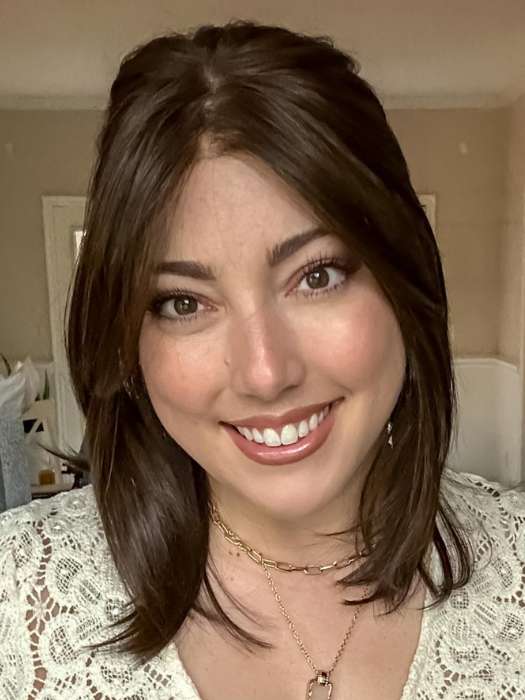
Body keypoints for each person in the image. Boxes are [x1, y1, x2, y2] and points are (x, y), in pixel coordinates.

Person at [0, 19, 524, 700]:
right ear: (127, 343)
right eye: (183, 303)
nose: (265, 373)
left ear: (406, 280)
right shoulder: (17, 599)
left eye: (317, 276)